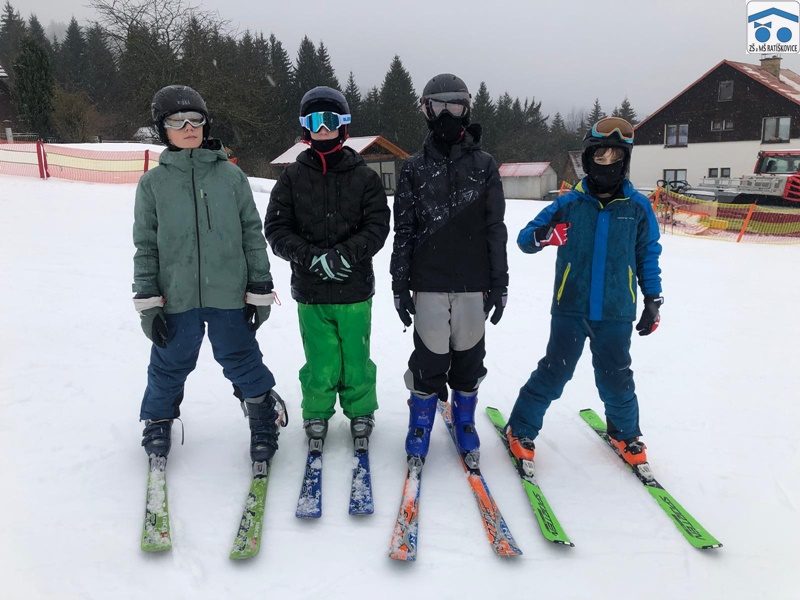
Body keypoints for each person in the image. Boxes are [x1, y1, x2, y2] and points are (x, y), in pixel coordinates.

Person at [133, 84, 286, 467]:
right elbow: (146, 245)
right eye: (177, 121)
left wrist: (260, 287)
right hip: (176, 295)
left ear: (206, 124)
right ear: (162, 128)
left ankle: (262, 415)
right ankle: (158, 419)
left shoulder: (231, 178)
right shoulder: (153, 184)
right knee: (169, 363)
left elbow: (251, 234)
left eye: (195, 120)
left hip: (228, 294)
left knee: (241, 358)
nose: (188, 127)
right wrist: (149, 302)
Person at [505, 116, 663, 471]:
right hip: (571, 308)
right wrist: (545, 236)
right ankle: (521, 428)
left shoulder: (637, 207)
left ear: (626, 160)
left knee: (616, 377)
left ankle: (625, 433)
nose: (608, 163)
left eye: (616, 157)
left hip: (616, 310)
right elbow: (525, 239)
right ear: (589, 160)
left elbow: (647, 254)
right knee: (554, 372)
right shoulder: (569, 203)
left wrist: (652, 299)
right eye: (600, 156)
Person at [390, 73, 508, 465]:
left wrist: (500, 281)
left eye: (453, 105)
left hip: (473, 282)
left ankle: (465, 419)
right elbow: (404, 229)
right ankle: (420, 422)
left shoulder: (484, 165)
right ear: (425, 110)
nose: (445, 114)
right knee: (430, 357)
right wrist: (399, 284)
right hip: (429, 282)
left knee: (470, 355)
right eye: (436, 106)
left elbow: (495, 227)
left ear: (466, 109)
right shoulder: (413, 168)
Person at [264, 86, 390, 451]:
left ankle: (361, 409)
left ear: (343, 125)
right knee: (320, 358)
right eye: (315, 121)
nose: (323, 128)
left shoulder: (364, 177)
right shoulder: (292, 177)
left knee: (356, 357)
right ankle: (316, 410)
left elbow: (377, 226)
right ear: (305, 127)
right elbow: (276, 228)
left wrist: (345, 255)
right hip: (312, 289)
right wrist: (310, 256)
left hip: (354, 289)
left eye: (330, 120)